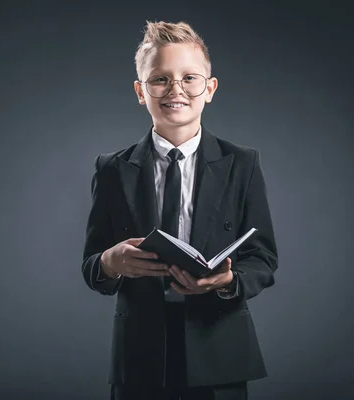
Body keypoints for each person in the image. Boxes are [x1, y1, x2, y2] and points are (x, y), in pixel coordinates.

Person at [81, 20, 278, 400]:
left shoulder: (242, 163)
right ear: (141, 91)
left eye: (190, 78)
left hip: (220, 350)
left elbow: (263, 258)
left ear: (210, 88)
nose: (176, 90)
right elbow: (92, 264)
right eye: (160, 80)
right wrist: (109, 261)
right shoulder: (111, 168)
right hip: (138, 355)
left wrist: (227, 281)